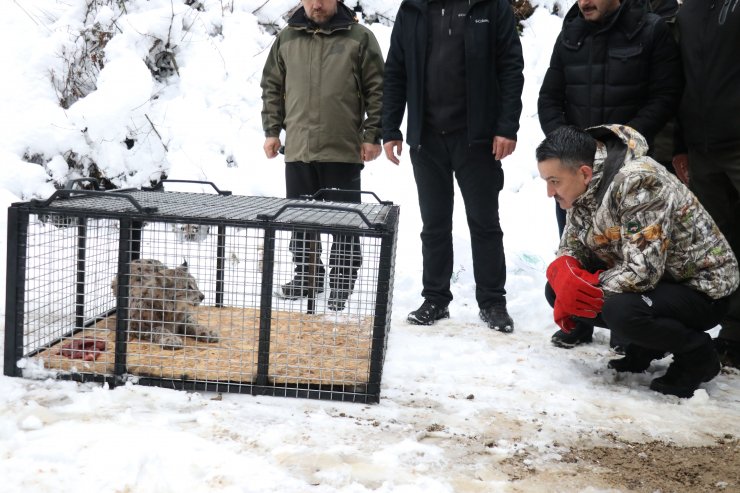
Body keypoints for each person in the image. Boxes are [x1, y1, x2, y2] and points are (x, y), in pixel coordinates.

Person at [537, 124, 738, 398]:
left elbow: (643, 272)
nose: (550, 192)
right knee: (559, 289)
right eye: (546, 181)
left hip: (702, 288)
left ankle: (696, 354)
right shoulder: (586, 183)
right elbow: (573, 244)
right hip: (661, 282)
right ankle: (648, 344)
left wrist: (587, 284)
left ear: (583, 172)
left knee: (620, 309)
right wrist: (566, 270)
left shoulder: (640, 182)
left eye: (554, 181)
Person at [537, 0, 683, 348]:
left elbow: (665, 96)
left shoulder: (650, 29)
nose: (584, 2)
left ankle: (628, 328)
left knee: (632, 249)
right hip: (578, 172)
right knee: (577, 247)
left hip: (628, 167)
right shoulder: (571, 32)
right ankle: (578, 319)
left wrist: (620, 143)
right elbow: (549, 97)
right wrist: (567, 149)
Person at [382, 0, 524, 331]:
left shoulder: (492, 7)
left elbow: (510, 67)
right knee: (434, 224)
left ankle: (492, 301)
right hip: (427, 137)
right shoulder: (413, 9)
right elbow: (396, 70)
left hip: (477, 137)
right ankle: (435, 298)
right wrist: (390, 128)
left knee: (485, 223)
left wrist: (506, 126)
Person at [260, 0, 384, 311]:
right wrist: (272, 131)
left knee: (344, 221)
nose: (317, 4)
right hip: (299, 147)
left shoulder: (359, 37)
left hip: (343, 148)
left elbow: (379, 89)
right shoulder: (287, 38)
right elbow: (272, 86)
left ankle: (342, 284)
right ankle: (308, 277)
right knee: (301, 218)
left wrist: (372, 135)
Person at [672, 0, 740, 369]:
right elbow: (680, 79)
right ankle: (733, 333)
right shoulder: (687, 13)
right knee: (722, 246)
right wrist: (681, 144)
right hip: (702, 148)